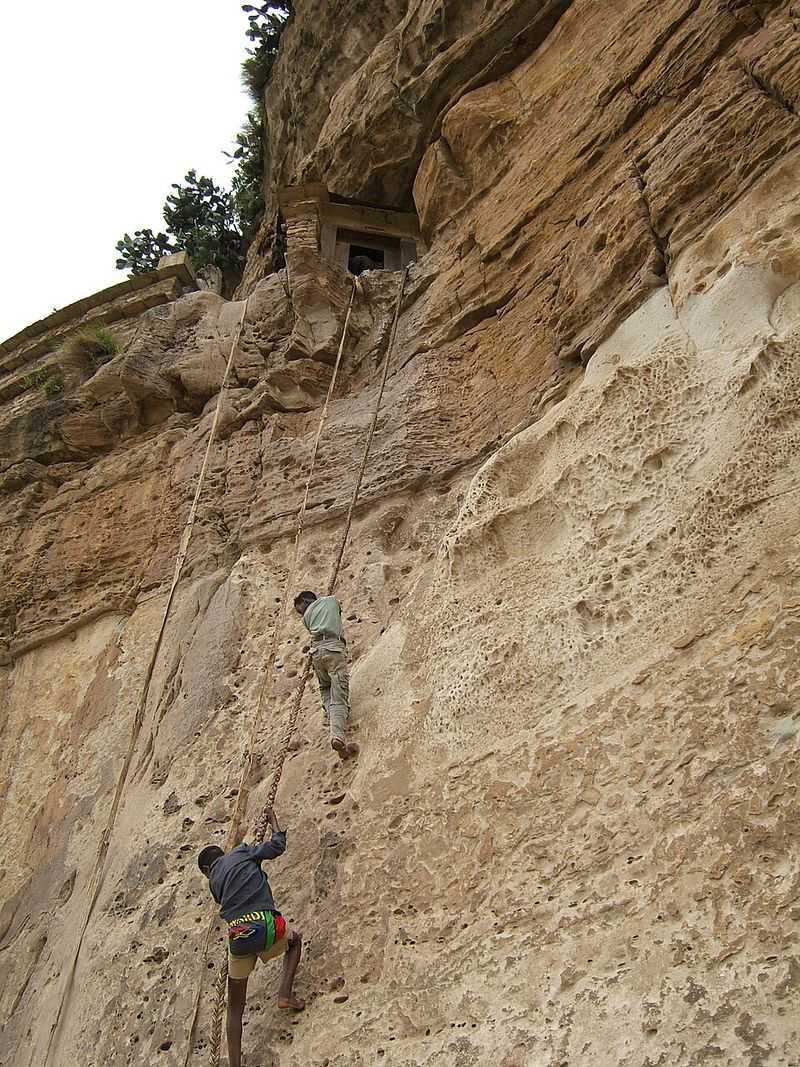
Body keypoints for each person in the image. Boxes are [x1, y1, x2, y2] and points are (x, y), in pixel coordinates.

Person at [197, 807, 304, 1067]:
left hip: (239, 936)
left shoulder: (214, 883)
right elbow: (277, 846)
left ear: (207, 870)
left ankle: (235, 1064)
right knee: (294, 941)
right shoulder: (242, 852)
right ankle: (284, 994)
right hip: (266, 925)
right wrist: (273, 821)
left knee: (234, 1007)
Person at [294, 590, 358, 759]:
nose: (303, 613)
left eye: (301, 609)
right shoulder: (331, 601)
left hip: (316, 654)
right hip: (333, 650)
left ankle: (334, 719)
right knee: (339, 695)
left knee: (325, 688)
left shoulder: (307, 618)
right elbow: (337, 610)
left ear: (306, 602)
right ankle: (337, 734)